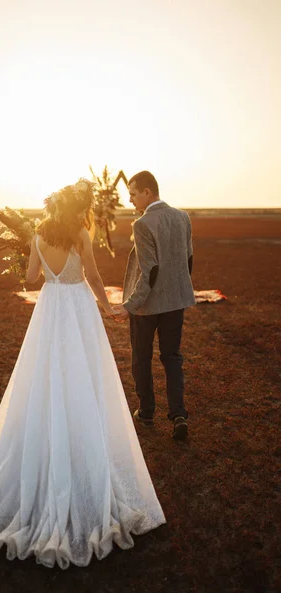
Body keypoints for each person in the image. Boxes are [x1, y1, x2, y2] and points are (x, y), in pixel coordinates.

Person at [0, 178, 166, 569]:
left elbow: (30, 281)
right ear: (79, 209)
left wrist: (26, 261)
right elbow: (90, 274)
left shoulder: (39, 235)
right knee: (84, 379)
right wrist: (107, 306)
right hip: (78, 311)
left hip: (49, 310)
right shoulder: (81, 234)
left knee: (44, 378)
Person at [113, 171, 195, 440]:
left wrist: (130, 306)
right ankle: (179, 414)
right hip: (175, 302)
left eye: (133, 193)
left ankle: (146, 412)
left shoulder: (142, 223)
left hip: (146, 306)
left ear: (148, 192)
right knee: (172, 357)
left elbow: (149, 271)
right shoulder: (183, 217)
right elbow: (188, 260)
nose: (130, 199)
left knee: (141, 357)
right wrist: (178, 291)